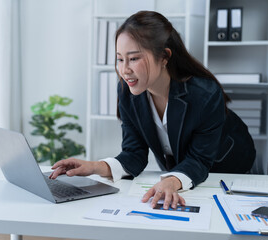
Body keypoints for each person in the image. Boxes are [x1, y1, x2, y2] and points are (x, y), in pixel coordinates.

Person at [49, 11, 256, 209]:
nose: (124, 70)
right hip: (186, 174)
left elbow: (200, 159)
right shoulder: (127, 91)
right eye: (120, 59)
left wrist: (172, 180)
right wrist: (94, 167)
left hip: (229, 170)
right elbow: (133, 154)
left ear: (164, 57)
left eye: (134, 58)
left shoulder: (204, 94)